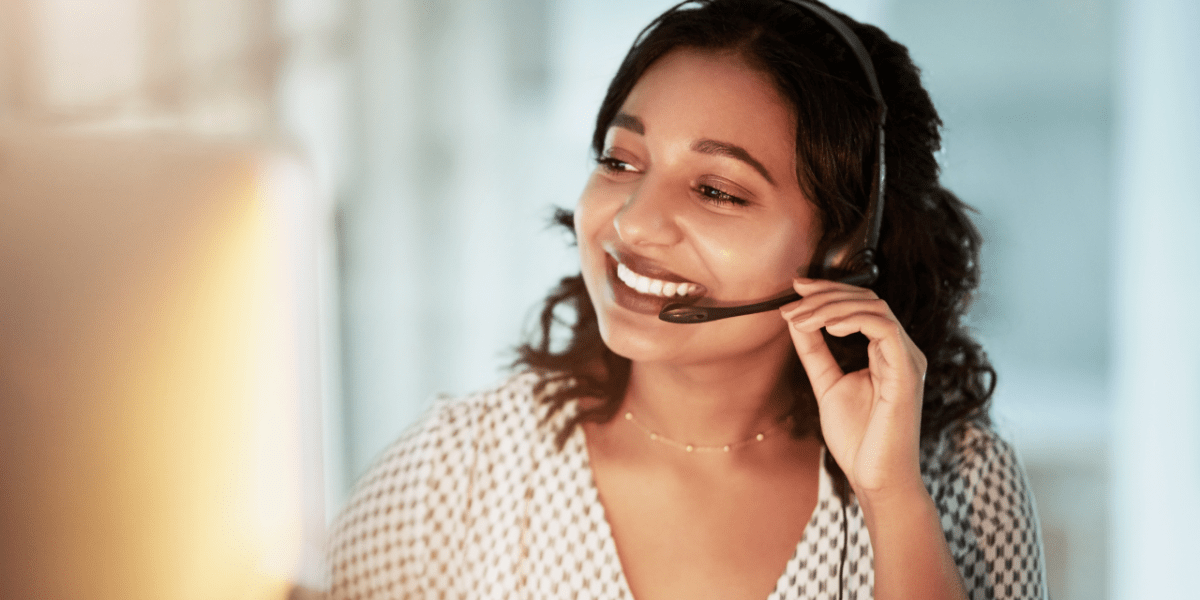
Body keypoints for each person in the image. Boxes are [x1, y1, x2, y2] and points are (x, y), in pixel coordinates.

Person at [326, 1, 1047, 599]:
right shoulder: (455, 471)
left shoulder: (961, 484)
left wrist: (892, 501)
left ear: (845, 249)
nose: (634, 221)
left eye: (716, 191)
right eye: (620, 160)